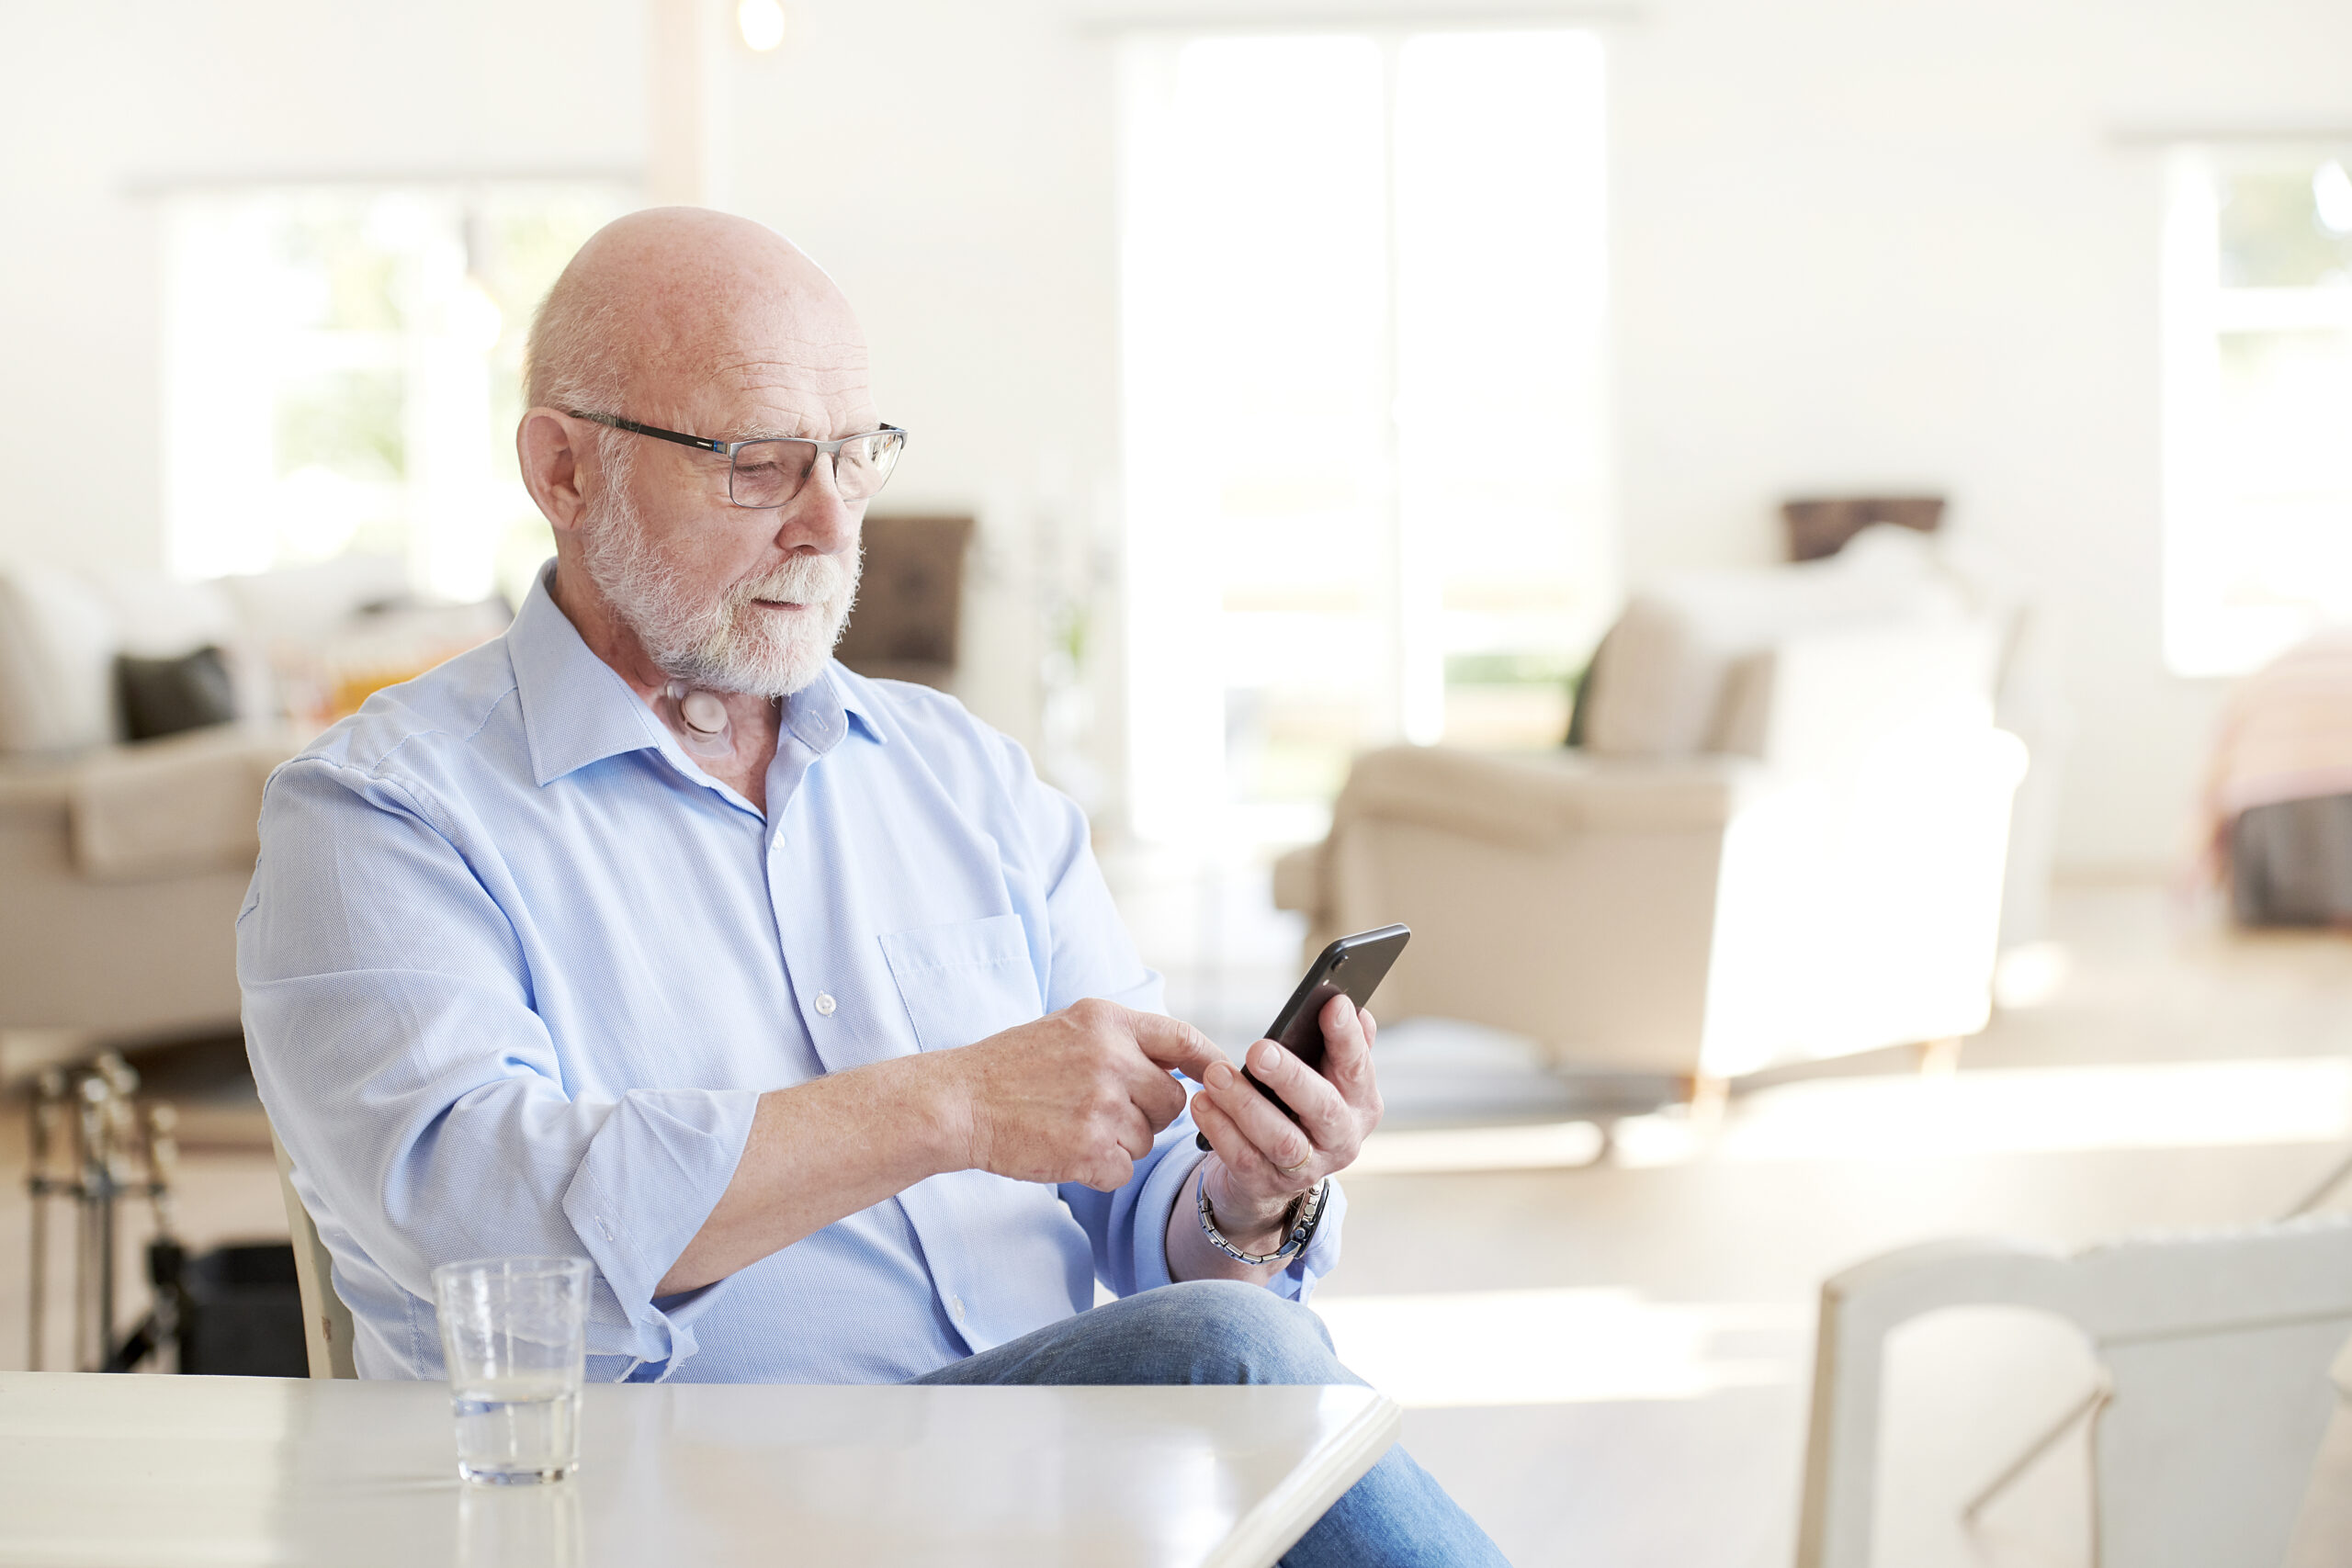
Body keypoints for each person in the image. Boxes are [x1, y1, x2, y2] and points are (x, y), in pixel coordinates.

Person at [239, 207, 1506, 1564]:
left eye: (854, 458)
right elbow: (483, 1234)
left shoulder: (964, 780)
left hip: (1053, 1500)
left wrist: (1245, 1197)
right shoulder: (381, 814)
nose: (832, 523)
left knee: (1229, 1325)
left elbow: (1148, 1211)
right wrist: (948, 1103)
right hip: (675, 1510)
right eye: (761, 465)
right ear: (564, 467)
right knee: (1232, 1354)